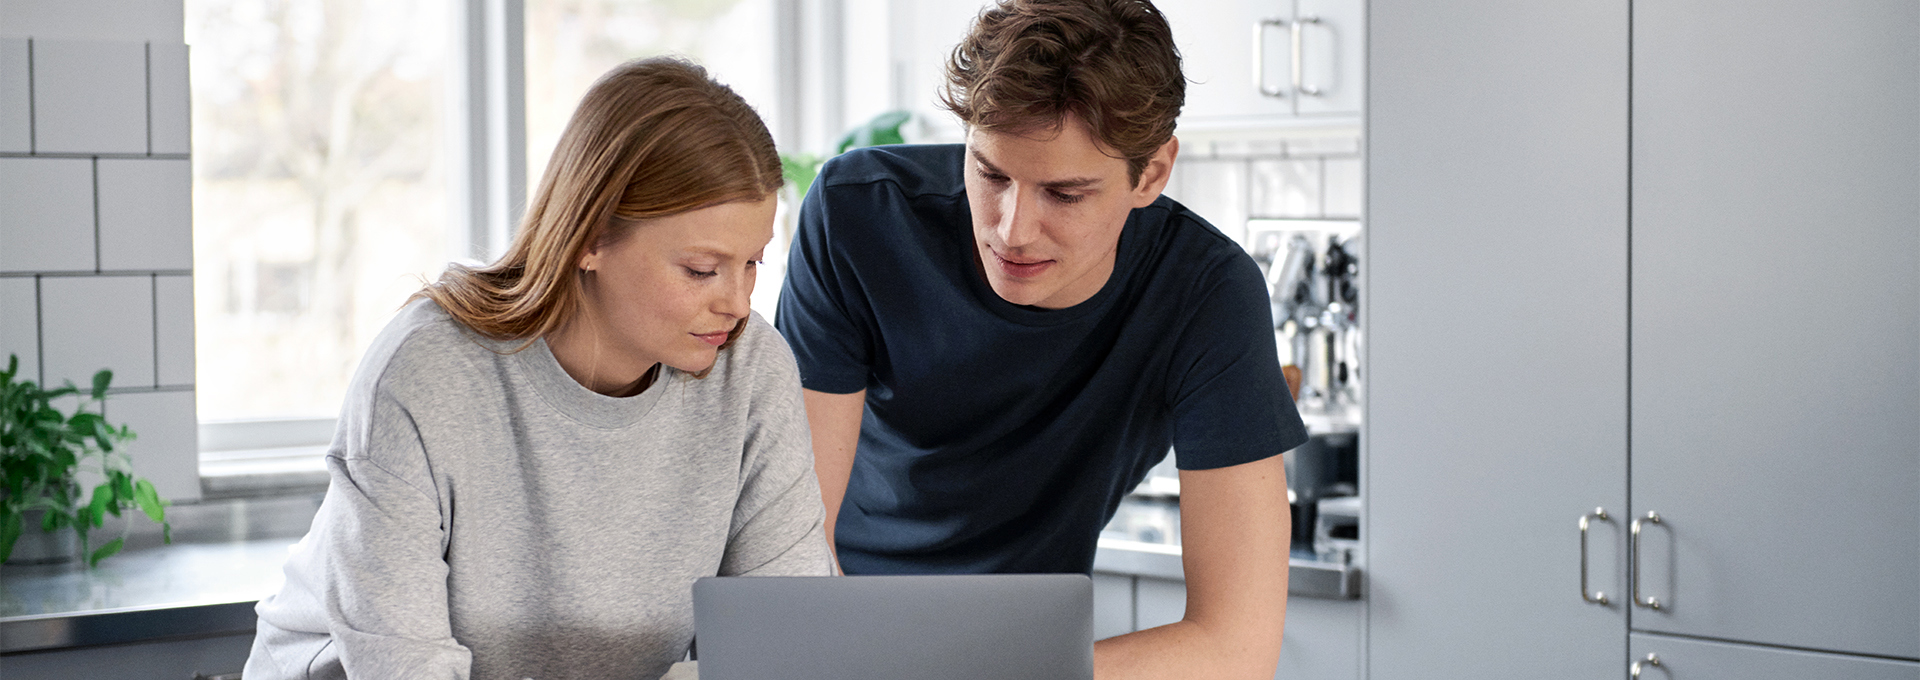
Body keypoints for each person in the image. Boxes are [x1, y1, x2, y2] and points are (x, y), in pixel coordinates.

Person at [245, 58, 832, 680]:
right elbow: (403, 666)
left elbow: (780, 642)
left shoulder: (749, 368)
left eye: (754, 263)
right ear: (590, 237)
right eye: (700, 269)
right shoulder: (424, 373)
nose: (737, 303)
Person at [774, 0, 1307, 678]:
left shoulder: (1205, 293)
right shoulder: (858, 215)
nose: (1011, 229)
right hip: (842, 629)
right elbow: (791, 545)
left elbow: (1237, 645)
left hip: (1038, 654)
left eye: (1065, 194)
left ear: (1152, 174)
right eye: (990, 174)